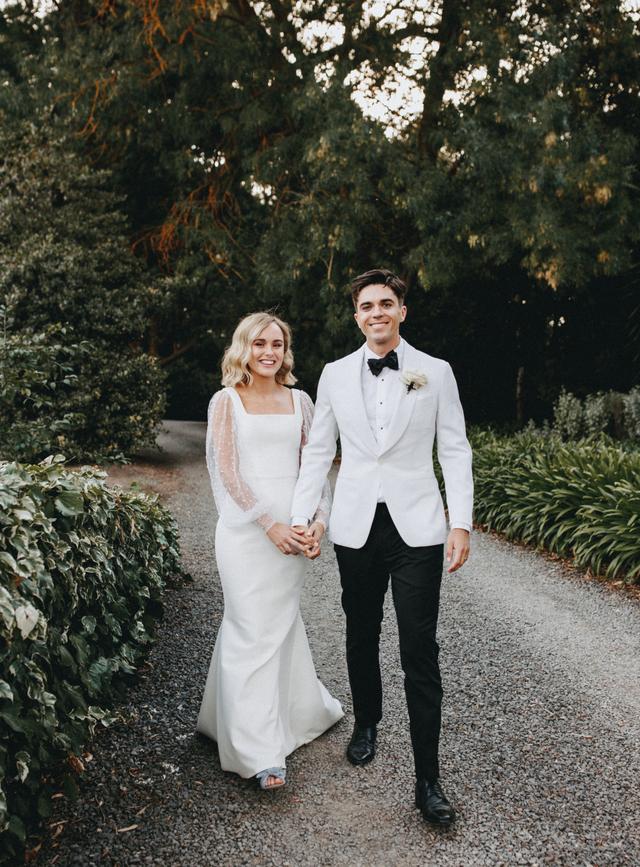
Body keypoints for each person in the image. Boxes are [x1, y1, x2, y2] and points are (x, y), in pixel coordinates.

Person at [291, 269, 473, 825]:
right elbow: (319, 451)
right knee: (360, 630)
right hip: (355, 526)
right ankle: (367, 720)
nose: (377, 313)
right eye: (367, 305)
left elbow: (456, 450)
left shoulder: (434, 373)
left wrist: (460, 523)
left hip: (418, 528)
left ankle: (428, 781)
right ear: (356, 315)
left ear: (402, 311)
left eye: (386, 304)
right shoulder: (335, 374)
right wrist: (303, 517)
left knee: (419, 647)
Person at [196, 311, 343, 790]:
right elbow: (227, 474)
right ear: (244, 347)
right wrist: (268, 525)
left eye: (277, 344)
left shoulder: (301, 400)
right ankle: (257, 751)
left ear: (286, 350)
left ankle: (235, 718)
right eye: (259, 343)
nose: (268, 352)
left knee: (277, 623)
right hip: (246, 531)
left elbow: (314, 466)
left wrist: (317, 522)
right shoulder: (226, 401)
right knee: (248, 626)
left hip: (294, 527)